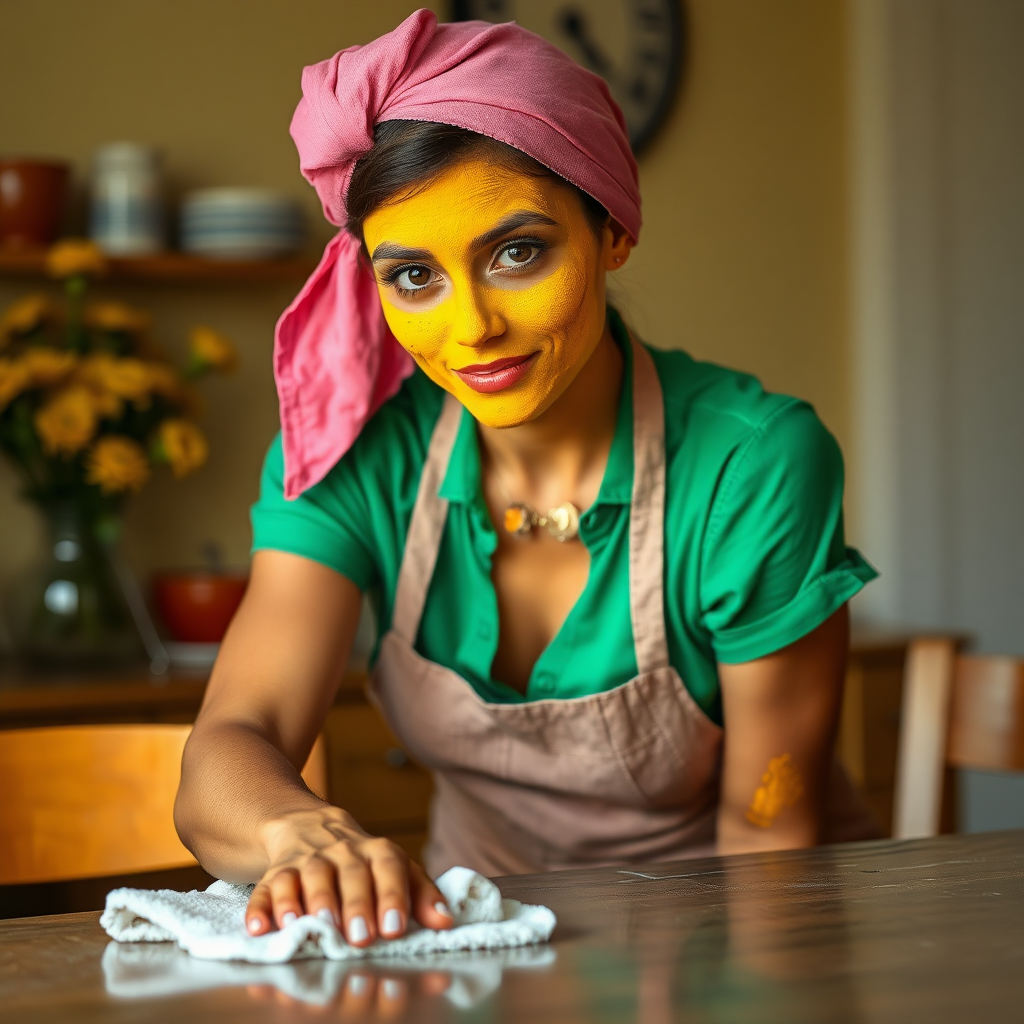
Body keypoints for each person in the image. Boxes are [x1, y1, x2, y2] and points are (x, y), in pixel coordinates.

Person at [174, 10, 879, 949]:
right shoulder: (357, 455)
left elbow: (769, 830)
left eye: (517, 253)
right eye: (414, 276)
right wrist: (297, 829)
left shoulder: (751, 467)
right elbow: (230, 743)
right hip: (483, 945)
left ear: (612, 232)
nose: (470, 329)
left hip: (739, 941)